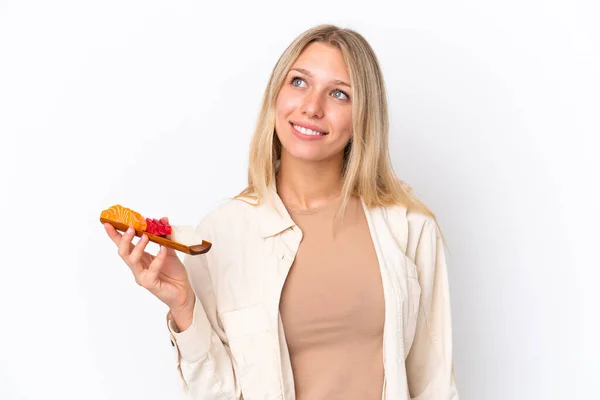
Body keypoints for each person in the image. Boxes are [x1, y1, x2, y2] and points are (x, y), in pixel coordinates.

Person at [104, 24, 459, 400]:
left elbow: (434, 383)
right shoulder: (221, 233)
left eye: (339, 94)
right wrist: (183, 305)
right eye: (299, 82)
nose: (311, 107)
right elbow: (216, 394)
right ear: (276, 94)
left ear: (363, 117)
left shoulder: (409, 228)